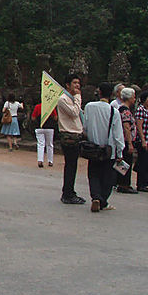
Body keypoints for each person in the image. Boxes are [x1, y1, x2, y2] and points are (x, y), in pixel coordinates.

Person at [83, 82, 125, 212]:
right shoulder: (114, 111)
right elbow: (118, 134)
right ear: (112, 94)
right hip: (109, 149)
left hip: (93, 148)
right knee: (108, 177)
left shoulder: (89, 106)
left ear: (99, 92)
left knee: (93, 174)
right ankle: (103, 200)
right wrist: (120, 152)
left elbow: (85, 126)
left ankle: (95, 196)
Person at [57, 73, 86, 205]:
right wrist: (78, 97)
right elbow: (74, 112)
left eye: (78, 83)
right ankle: (67, 193)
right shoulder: (63, 99)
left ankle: (69, 191)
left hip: (75, 134)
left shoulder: (72, 98)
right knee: (70, 165)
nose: (77, 86)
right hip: (69, 135)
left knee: (73, 165)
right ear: (67, 85)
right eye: (74, 83)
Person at [116, 87, 138, 194]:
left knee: (123, 162)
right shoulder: (125, 111)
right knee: (126, 162)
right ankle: (124, 184)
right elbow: (126, 127)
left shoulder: (121, 109)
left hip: (124, 140)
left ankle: (121, 182)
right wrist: (130, 143)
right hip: (126, 140)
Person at [30, 102, 57, 168]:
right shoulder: (51, 106)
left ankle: (40, 160)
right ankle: (50, 161)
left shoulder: (37, 106)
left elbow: (33, 117)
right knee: (50, 144)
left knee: (40, 144)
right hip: (49, 127)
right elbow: (55, 117)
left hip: (39, 127)